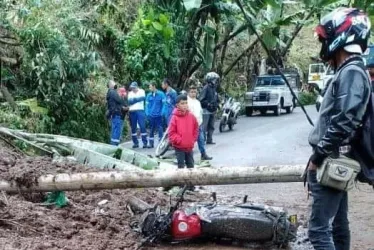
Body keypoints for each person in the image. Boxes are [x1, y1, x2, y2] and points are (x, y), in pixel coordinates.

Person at [307, 8, 371, 250]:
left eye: (325, 38)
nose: (323, 43)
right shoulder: (350, 70)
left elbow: (344, 120)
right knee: (337, 226)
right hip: (337, 160)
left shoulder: (352, 72)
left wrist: (318, 155)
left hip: (333, 161)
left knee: (318, 231)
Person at [168, 94, 199, 169]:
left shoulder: (192, 116)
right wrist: (179, 140)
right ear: (177, 105)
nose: (185, 105)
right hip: (179, 147)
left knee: (191, 166)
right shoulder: (174, 118)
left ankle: (191, 180)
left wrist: (193, 139)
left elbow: (196, 129)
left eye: (186, 103)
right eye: (182, 103)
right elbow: (171, 133)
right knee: (181, 167)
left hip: (189, 146)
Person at [187, 85, 212, 160]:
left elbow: (200, 112)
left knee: (201, 139)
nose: (193, 93)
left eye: (195, 92)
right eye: (192, 92)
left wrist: (200, 122)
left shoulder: (198, 102)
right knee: (190, 141)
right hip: (190, 125)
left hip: (199, 124)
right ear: (189, 93)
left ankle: (203, 154)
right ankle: (188, 156)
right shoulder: (187, 102)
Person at [199, 72, 220, 144]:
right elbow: (200, 99)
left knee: (211, 126)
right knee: (204, 127)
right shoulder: (206, 88)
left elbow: (216, 97)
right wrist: (207, 104)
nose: (215, 81)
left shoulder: (214, 88)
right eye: (214, 79)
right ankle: (202, 140)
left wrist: (217, 104)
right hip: (206, 110)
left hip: (213, 110)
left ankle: (209, 140)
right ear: (210, 79)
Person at [127, 81, 148, 148]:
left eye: (133, 88)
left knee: (142, 126)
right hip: (132, 111)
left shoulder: (142, 91)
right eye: (132, 88)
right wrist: (138, 99)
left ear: (136, 87)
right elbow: (130, 101)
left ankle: (145, 143)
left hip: (140, 111)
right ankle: (135, 143)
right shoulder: (130, 93)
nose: (132, 89)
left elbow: (143, 98)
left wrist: (134, 100)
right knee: (133, 128)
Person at [106, 80, 127, 146]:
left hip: (113, 113)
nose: (115, 84)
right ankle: (115, 145)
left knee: (114, 129)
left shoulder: (110, 92)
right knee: (117, 130)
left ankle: (113, 144)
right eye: (113, 83)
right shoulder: (113, 92)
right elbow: (119, 100)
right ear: (110, 85)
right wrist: (122, 97)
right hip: (116, 113)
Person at [145, 83, 166, 148]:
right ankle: (151, 143)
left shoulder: (161, 94)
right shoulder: (148, 95)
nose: (149, 88)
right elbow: (146, 106)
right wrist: (147, 113)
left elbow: (164, 104)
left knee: (160, 129)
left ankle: (161, 143)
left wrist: (162, 112)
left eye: (150, 87)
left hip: (159, 115)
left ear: (154, 86)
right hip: (151, 115)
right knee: (151, 129)